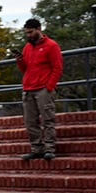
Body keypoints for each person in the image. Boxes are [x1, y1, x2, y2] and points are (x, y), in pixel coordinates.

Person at [16, 18, 63, 160]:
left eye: (30, 32)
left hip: (43, 88)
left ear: (38, 29)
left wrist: (49, 86)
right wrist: (19, 60)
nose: (28, 35)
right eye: (27, 33)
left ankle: (49, 148)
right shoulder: (27, 47)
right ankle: (36, 148)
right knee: (30, 121)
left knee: (48, 119)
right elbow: (25, 69)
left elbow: (57, 67)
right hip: (28, 87)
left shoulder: (51, 46)